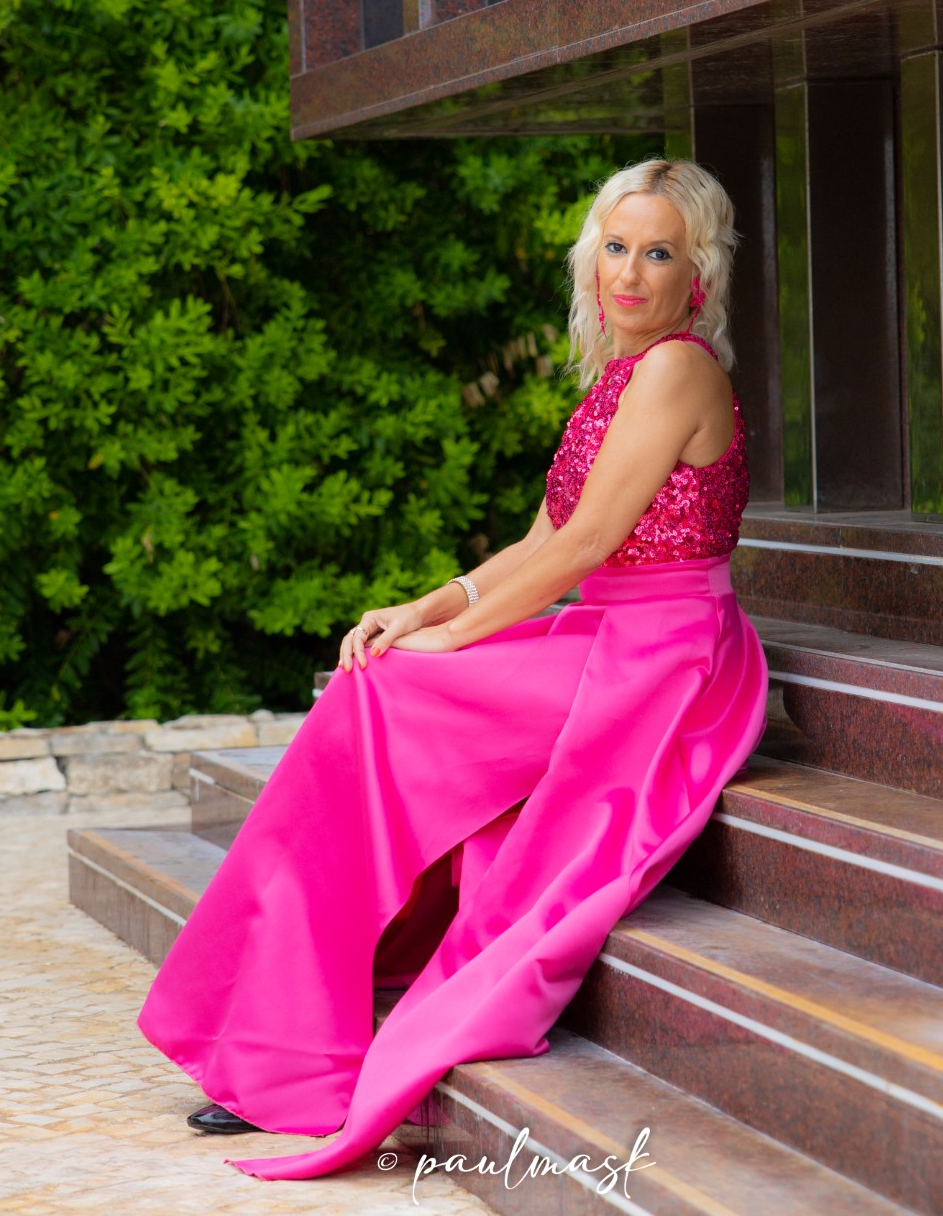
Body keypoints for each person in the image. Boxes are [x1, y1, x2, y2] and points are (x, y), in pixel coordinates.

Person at [137, 157, 769, 1180]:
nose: (629, 273)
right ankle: (274, 1032)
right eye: (615, 248)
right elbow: (540, 541)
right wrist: (428, 608)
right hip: (605, 635)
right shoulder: (619, 374)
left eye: (658, 254)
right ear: (590, 260)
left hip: (665, 659)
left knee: (381, 696)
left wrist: (450, 643)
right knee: (372, 685)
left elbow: (586, 545)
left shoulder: (677, 370)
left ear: (698, 272)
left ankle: (286, 1048)